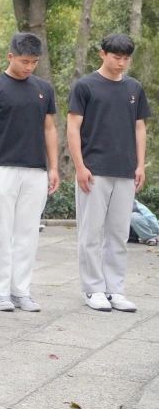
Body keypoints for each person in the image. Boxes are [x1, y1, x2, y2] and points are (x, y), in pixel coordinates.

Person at [0, 33, 59, 313]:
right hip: (1, 168)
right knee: (0, 231)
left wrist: (53, 167)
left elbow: (49, 128)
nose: (29, 67)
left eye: (34, 62)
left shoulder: (44, 89)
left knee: (28, 232)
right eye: (24, 61)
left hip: (35, 169)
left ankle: (21, 290)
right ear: (10, 56)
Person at [68, 34, 150, 313]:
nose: (121, 63)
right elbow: (73, 127)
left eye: (126, 58)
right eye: (117, 57)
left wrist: (139, 164)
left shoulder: (134, 88)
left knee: (118, 233)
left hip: (125, 170)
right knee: (90, 233)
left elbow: (139, 127)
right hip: (94, 170)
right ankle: (93, 288)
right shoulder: (85, 86)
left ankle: (115, 289)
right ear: (102, 54)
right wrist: (80, 166)